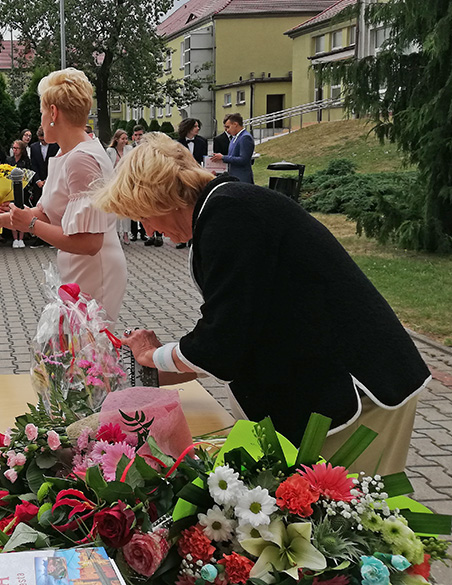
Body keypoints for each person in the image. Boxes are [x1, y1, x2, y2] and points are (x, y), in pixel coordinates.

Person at [98, 132, 430, 475]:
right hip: (332, 385)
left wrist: (152, 356)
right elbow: (239, 326)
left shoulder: (228, 213)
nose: (149, 229)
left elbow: (222, 342)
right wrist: (157, 366)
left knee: (357, 516)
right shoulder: (224, 208)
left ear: (160, 199)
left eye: (144, 216)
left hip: (357, 393)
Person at [0, 68, 127, 320]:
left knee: (87, 354)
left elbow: (89, 242)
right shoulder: (66, 154)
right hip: (79, 269)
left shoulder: (80, 159)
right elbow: (45, 211)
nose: (41, 119)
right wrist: (0, 220)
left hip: (95, 272)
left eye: (42, 111)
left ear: (53, 112)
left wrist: (30, 225)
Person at [176, 119, 207, 248]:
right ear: (188, 128)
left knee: (194, 206)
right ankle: (181, 237)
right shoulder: (177, 144)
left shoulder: (202, 142)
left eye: (198, 126)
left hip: (196, 178)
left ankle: (193, 236)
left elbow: (204, 160)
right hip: (182, 178)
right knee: (182, 207)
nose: (197, 128)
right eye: (195, 126)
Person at [105, 129, 133, 245]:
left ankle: (126, 233)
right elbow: (108, 167)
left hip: (126, 183)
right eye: (123, 139)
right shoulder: (110, 151)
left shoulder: (129, 149)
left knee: (126, 211)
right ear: (116, 139)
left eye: (126, 139)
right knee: (115, 210)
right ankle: (116, 233)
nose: (125, 141)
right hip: (114, 183)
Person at [210, 112, 254, 184]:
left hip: (242, 178)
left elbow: (243, 160)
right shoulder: (235, 137)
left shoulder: (245, 137)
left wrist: (223, 157)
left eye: (228, 127)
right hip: (233, 177)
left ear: (235, 124)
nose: (227, 130)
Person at [8, 139, 32, 248]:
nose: (15, 150)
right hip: (11, 190)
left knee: (21, 211)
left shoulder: (26, 161)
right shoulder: (9, 160)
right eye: (13, 148)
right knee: (12, 212)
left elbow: (29, 174)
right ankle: (14, 238)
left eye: (17, 148)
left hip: (23, 190)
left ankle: (21, 238)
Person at [29, 126, 59, 209]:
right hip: (38, 182)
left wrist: (48, 179)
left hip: (51, 180)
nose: (43, 142)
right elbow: (33, 165)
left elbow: (56, 164)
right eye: (41, 140)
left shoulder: (55, 146)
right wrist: (37, 180)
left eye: (44, 140)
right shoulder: (34, 147)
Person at [129, 126, 148, 243]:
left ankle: (144, 232)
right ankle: (134, 232)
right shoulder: (130, 148)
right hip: (134, 179)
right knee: (133, 207)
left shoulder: (148, 148)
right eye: (136, 135)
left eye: (140, 135)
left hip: (145, 180)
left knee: (144, 208)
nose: (138, 137)